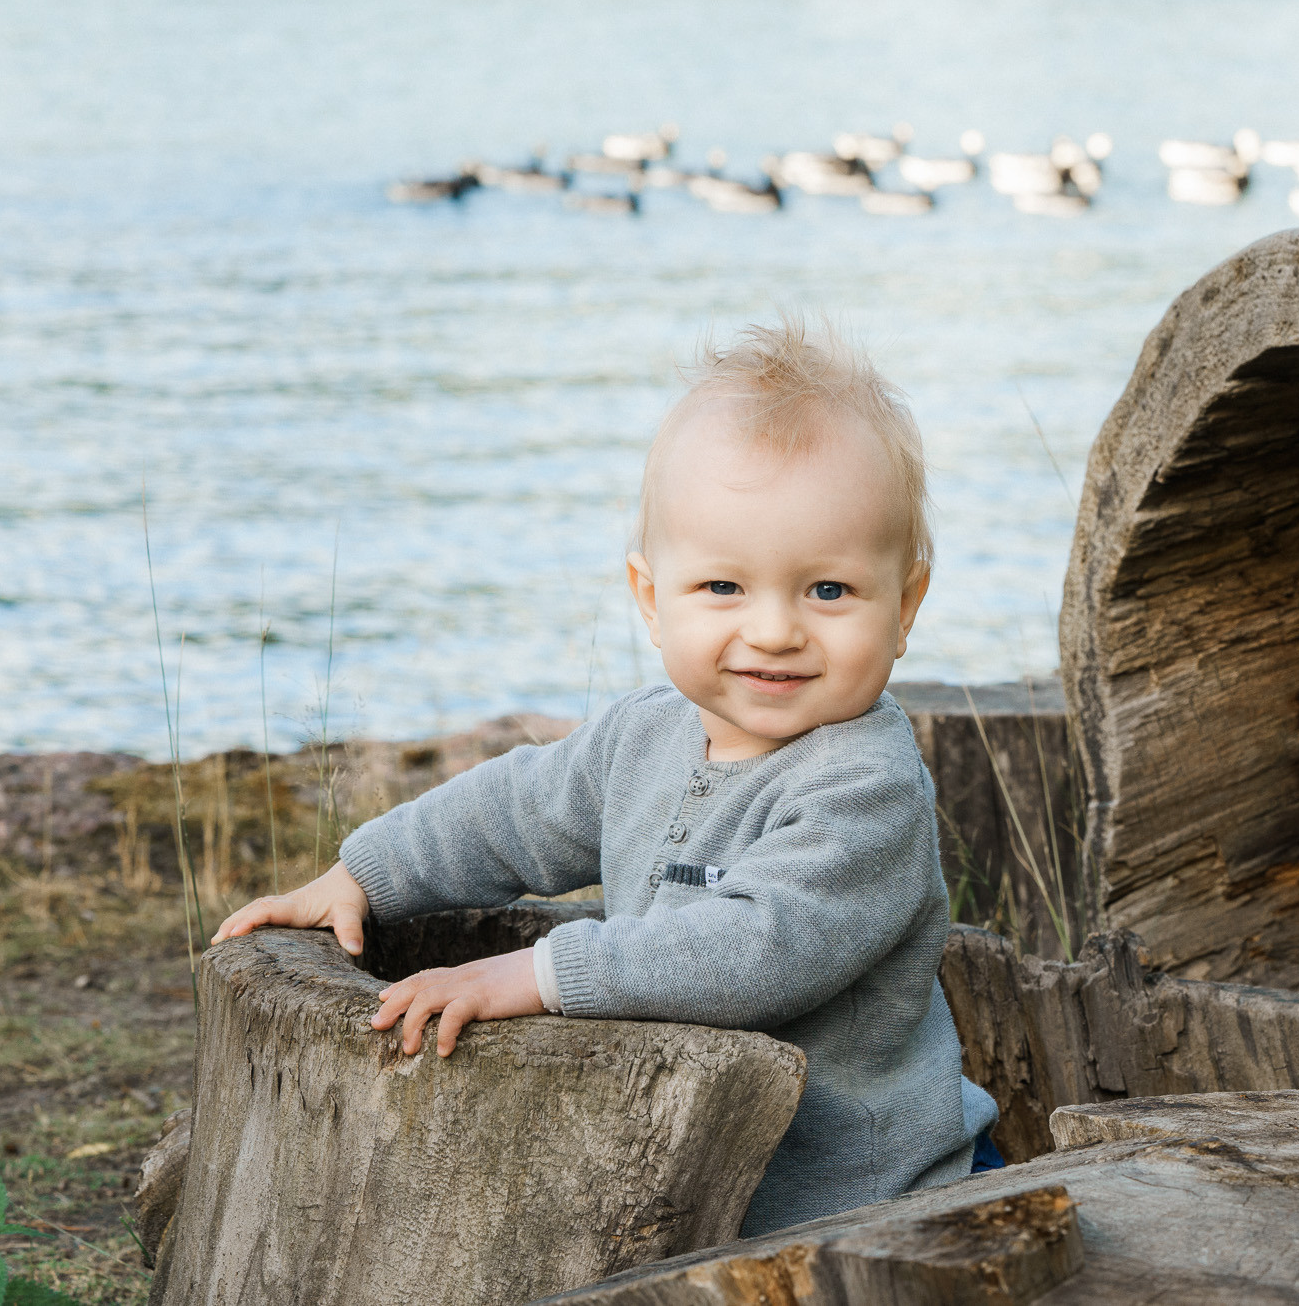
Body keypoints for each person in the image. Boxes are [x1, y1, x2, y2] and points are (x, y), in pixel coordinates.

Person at [212, 321, 999, 1235]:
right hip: (687, 1176)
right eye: (723, 588)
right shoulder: (645, 735)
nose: (777, 629)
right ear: (650, 597)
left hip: (875, 1203)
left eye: (828, 590)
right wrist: (364, 874)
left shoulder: (865, 789)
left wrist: (539, 973)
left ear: (904, 606)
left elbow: (752, 950)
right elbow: (511, 810)